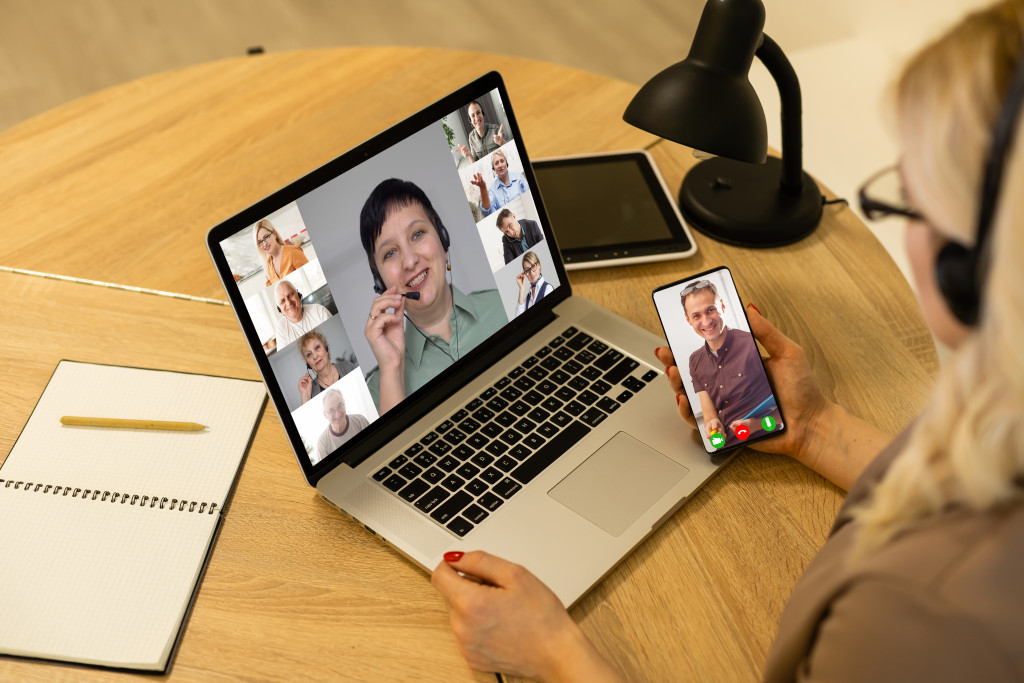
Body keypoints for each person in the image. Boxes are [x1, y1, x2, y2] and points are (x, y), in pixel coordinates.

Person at [430, 2, 1024, 680]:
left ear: (971, 270)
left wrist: (557, 655)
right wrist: (816, 426)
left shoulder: (911, 618)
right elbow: (971, 491)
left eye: (911, 200)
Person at [361, 178, 507, 414]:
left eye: (417, 234)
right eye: (390, 253)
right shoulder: (377, 391)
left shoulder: (508, 302)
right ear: (380, 282)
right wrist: (392, 372)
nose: (409, 261)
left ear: (443, 240)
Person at [681, 279, 778, 448]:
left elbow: (784, 409)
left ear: (722, 307)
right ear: (688, 320)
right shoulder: (694, 360)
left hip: (767, 439)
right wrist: (713, 425)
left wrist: (756, 424)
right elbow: (710, 415)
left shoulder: (750, 344)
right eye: (696, 315)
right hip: (727, 448)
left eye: (710, 310)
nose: (705, 322)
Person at [297, 329, 357, 405]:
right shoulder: (311, 391)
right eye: (309, 354)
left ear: (326, 348)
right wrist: (306, 395)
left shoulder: (348, 367)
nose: (315, 356)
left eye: (317, 347)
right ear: (308, 364)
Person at [313, 389, 369, 465]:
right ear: (325, 415)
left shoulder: (360, 421)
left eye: (340, 406)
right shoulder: (323, 443)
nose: (337, 414)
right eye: (331, 410)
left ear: (344, 405)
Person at [273, 280, 333, 347]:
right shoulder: (281, 328)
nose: (288, 303)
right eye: (282, 301)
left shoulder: (319, 311)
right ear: (279, 308)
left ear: (298, 294)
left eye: (290, 295)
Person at [472, 149, 530, 217]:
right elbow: (487, 211)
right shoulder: (493, 189)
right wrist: (483, 187)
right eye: (496, 163)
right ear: (494, 169)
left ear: (506, 163)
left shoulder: (519, 177)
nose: (500, 165)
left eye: (502, 161)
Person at [254, 218, 308, 286]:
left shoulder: (293, 252)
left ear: (274, 234)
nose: (264, 244)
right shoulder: (268, 265)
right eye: (260, 242)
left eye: (266, 237)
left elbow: (309, 275)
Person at [514, 251, 553, 317]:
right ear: (525, 273)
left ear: (539, 265)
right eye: (527, 270)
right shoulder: (528, 297)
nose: (531, 272)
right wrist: (522, 289)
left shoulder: (547, 289)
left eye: (533, 266)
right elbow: (519, 320)